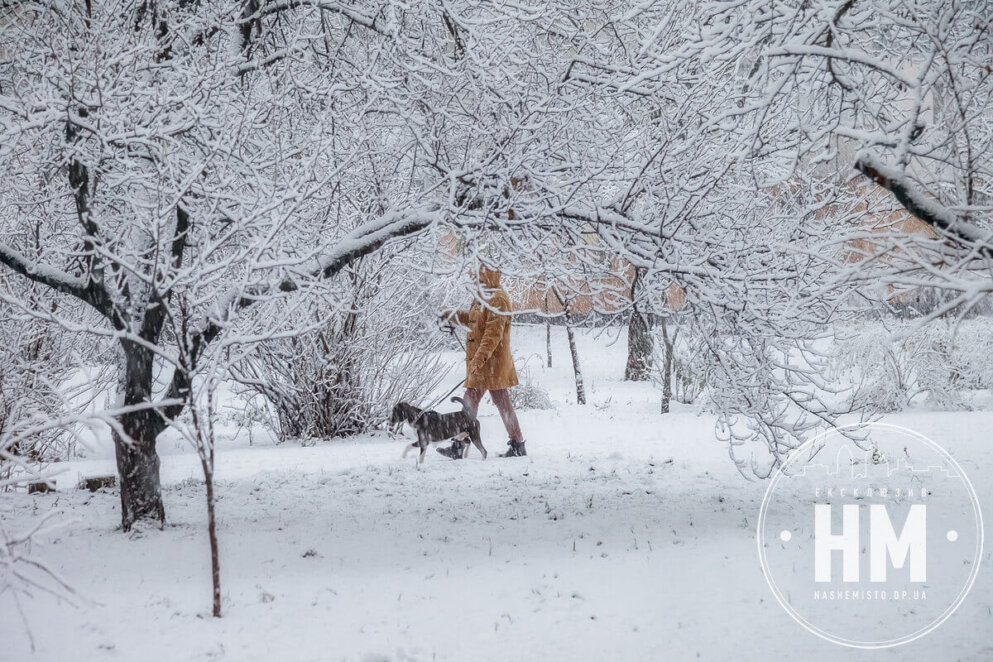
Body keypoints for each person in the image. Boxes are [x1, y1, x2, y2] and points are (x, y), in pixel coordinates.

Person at [438, 264, 526, 458]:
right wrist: (451, 315)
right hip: (486, 364)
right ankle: (517, 443)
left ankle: (459, 445)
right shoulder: (482, 298)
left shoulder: (498, 300)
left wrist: (478, 360)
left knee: (471, 401)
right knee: (500, 403)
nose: (474, 281)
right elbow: (473, 320)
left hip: (490, 364)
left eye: (477, 277)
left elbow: (492, 336)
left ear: (487, 277)